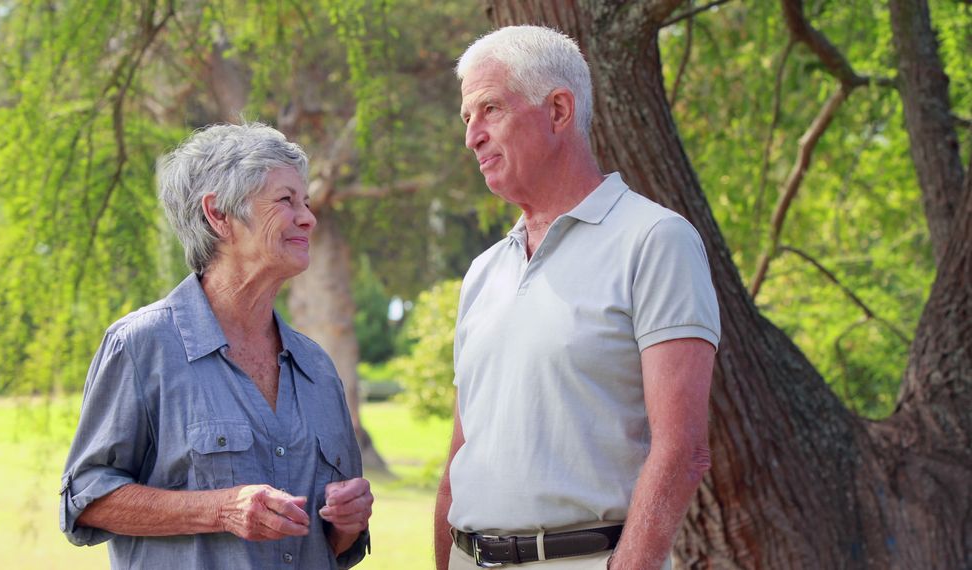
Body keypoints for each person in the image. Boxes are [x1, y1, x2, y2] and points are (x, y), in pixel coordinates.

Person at [434, 26, 720, 570]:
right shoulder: (482, 272)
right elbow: (460, 453)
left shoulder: (655, 240)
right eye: (466, 118)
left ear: (559, 111)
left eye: (488, 109)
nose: (472, 136)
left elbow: (683, 451)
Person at [59, 123, 372, 569]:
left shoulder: (317, 368)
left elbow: (336, 547)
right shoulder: (140, 346)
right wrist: (219, 509)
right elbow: (85, 500)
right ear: (218, 215)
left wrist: (348, 520)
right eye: (286, 200)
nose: (308, 216)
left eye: (304, 201)